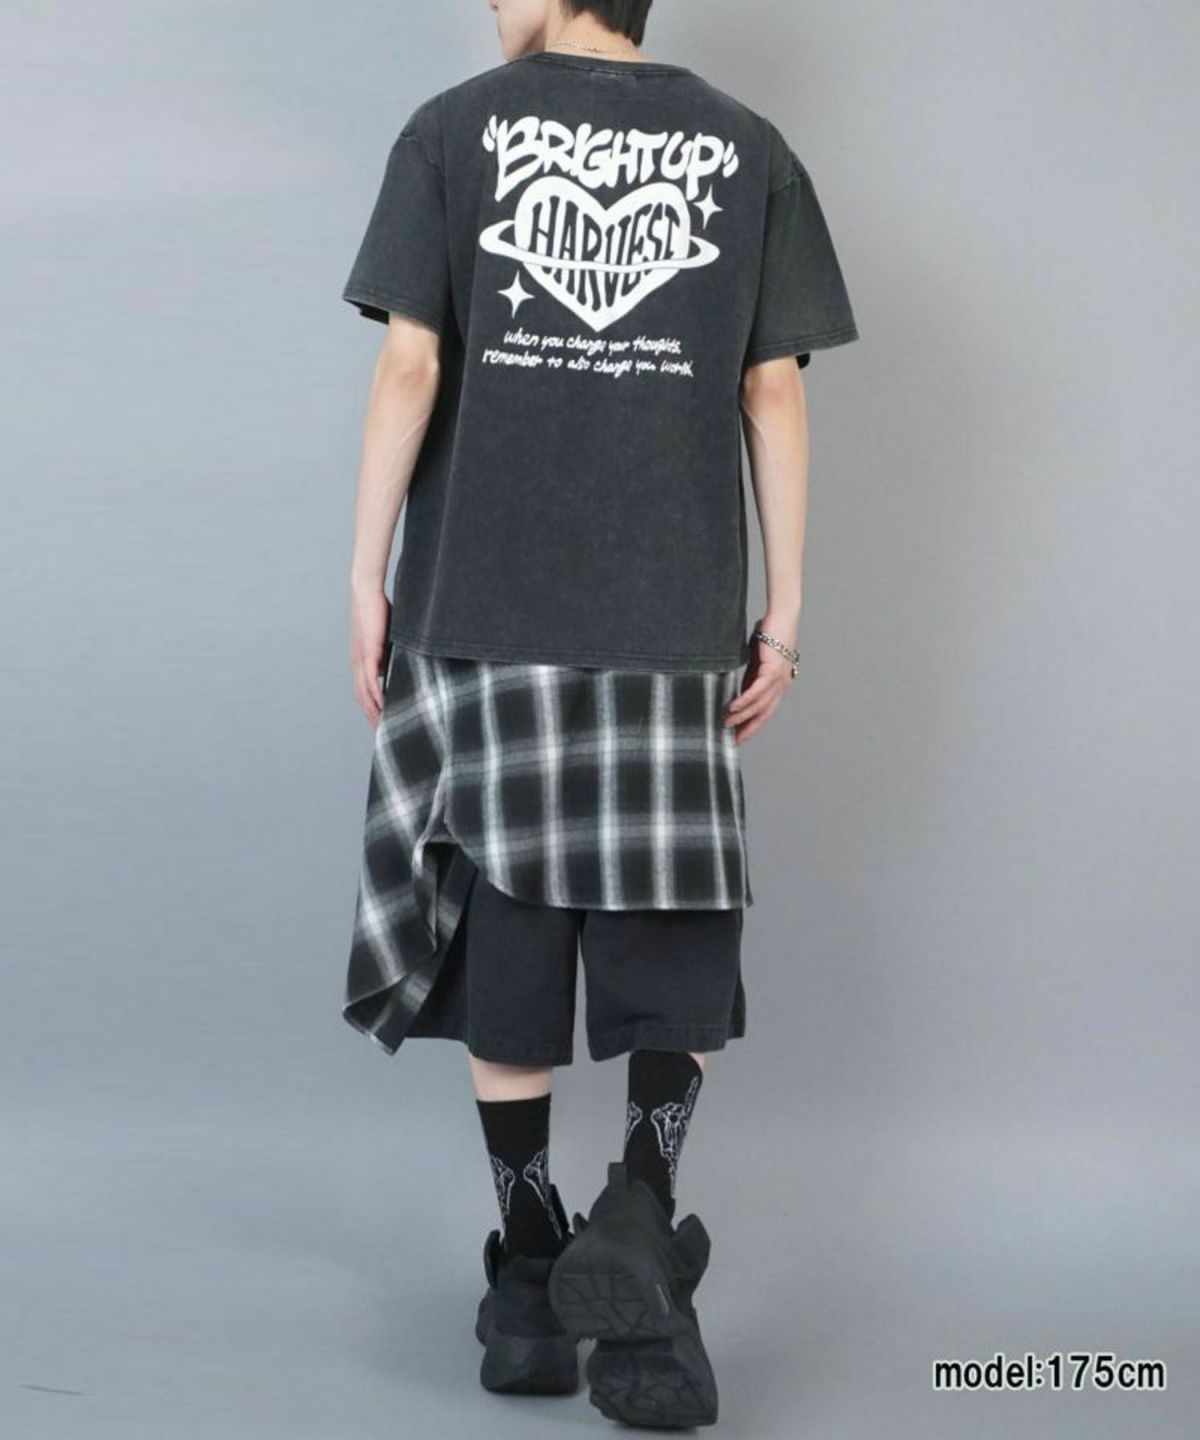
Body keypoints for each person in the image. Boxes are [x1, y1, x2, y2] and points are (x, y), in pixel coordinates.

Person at [340, 0, 858, 1426]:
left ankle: (527, 1274)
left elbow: (410, 365)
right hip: (668, 614)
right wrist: (784, 614)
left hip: (484, 608)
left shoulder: (451, 132)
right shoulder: (749, 147)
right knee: (668, 922)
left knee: (508, 923)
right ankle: (640, 1212)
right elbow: (772, 390)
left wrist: (366, 573)